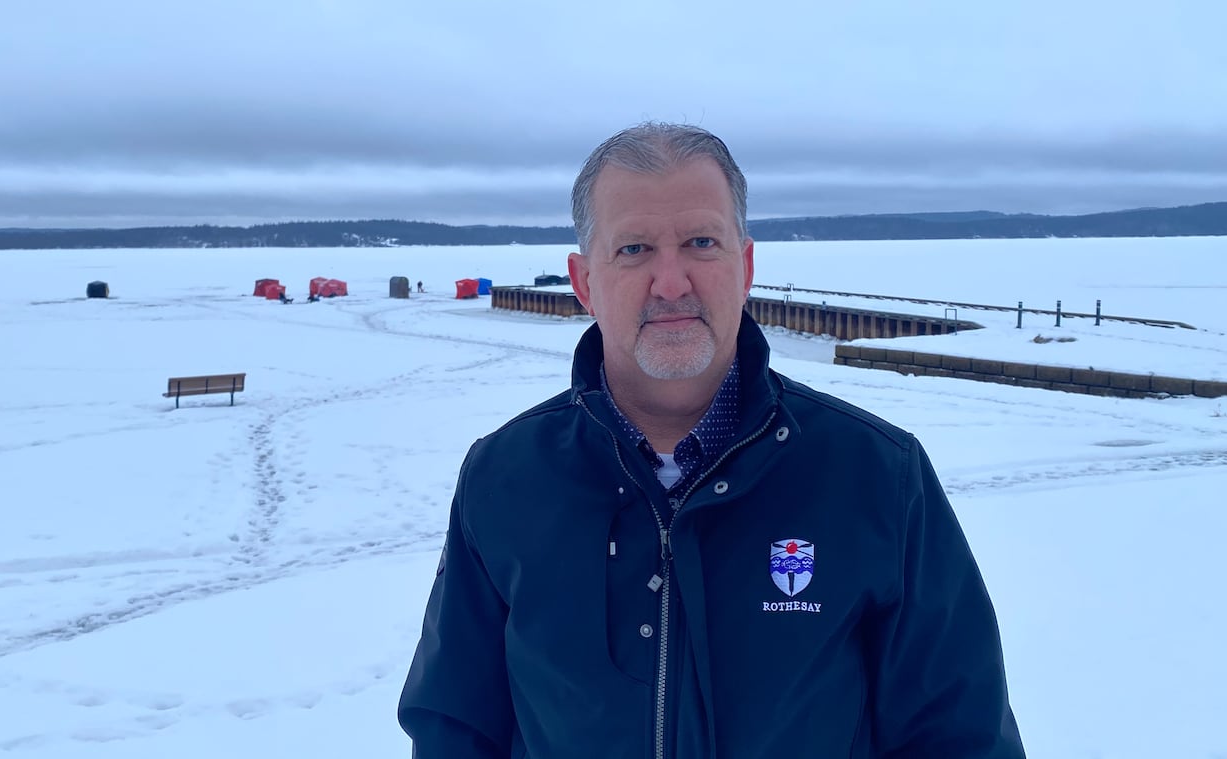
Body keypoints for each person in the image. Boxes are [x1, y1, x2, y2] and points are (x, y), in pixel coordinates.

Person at [399, 123, 1025, 757]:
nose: (671, 282)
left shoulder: (878, 477)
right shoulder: (504, 478)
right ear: (584, 282)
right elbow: (456, 728)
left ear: (745, 265)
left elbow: (960, 736)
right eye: (635, 249)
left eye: (701, 242)